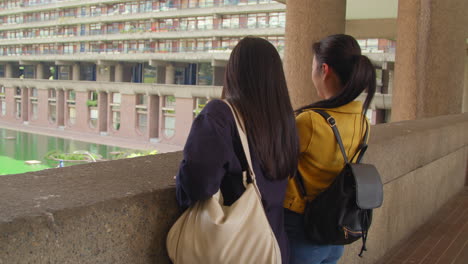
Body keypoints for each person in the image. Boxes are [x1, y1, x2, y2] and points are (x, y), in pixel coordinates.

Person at [175, 36, 299, 264]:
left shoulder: (221, 114)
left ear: (233, 72)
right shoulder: (286, 120)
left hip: (236, 248)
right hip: (273, 247)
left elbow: (198, 183)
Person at [283, 34, 377, 264]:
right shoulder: (361, 121)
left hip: (302, 227)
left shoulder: (310, 122)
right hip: (337, 227)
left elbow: (275, 164)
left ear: (324, 69)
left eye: (313, 66)